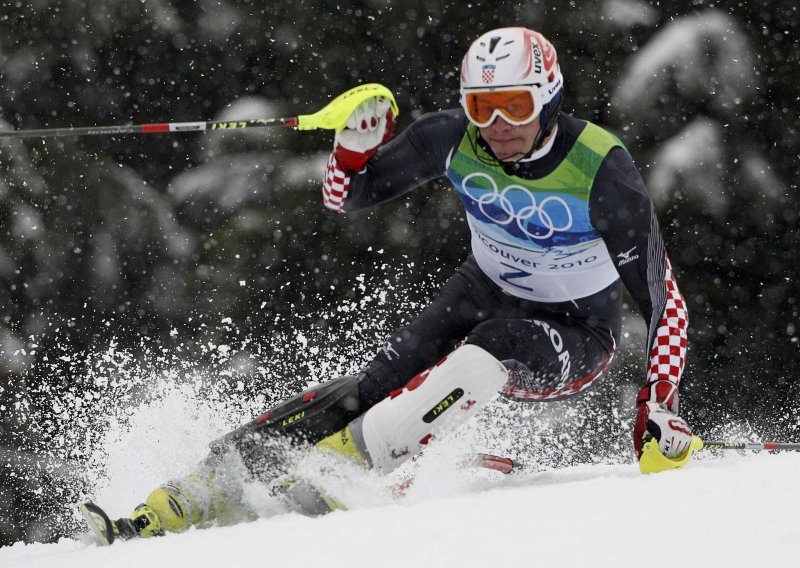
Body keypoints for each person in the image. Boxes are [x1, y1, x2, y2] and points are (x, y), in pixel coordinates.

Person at [92, 26, 693, 541]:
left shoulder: (599, 166)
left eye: (514, 104)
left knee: (492, 348)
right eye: (482, 108)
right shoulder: (451, 138)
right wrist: (350, 153)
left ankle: (336, 469)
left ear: (549, 99)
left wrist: (657, 402)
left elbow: (663, 300)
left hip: (576, 330)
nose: (499, 125)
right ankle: (195, 488)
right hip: (482, 290)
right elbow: (345, 197)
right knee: (375, 384)